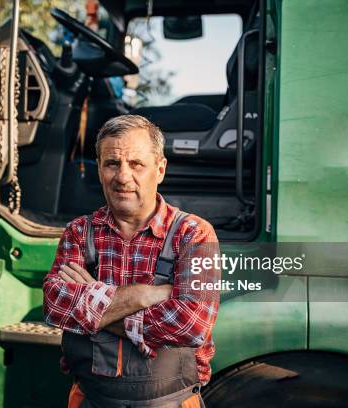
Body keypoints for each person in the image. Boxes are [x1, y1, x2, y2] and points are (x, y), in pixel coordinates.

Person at [43, 115, 220, 407]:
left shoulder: (195, 235)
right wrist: (143, 295)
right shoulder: (78, 232)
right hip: (91, 400)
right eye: (112, 164)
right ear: (99, 169)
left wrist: (94, 308)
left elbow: (191, 325)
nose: (123, 177)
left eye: (136, 164)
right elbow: (56, 306)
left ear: (160, 169)